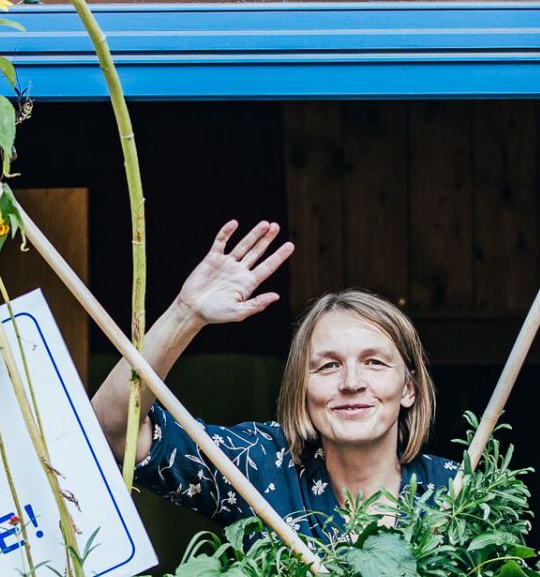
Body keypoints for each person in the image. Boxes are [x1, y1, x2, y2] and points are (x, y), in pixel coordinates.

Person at [91, 220, 457, 537]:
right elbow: (113, 431)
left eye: (374, 362)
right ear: (302, 387)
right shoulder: (260, 464)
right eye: (328, 365)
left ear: (408, 388)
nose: (351, 382)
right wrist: (185, 315)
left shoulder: (457, 494)